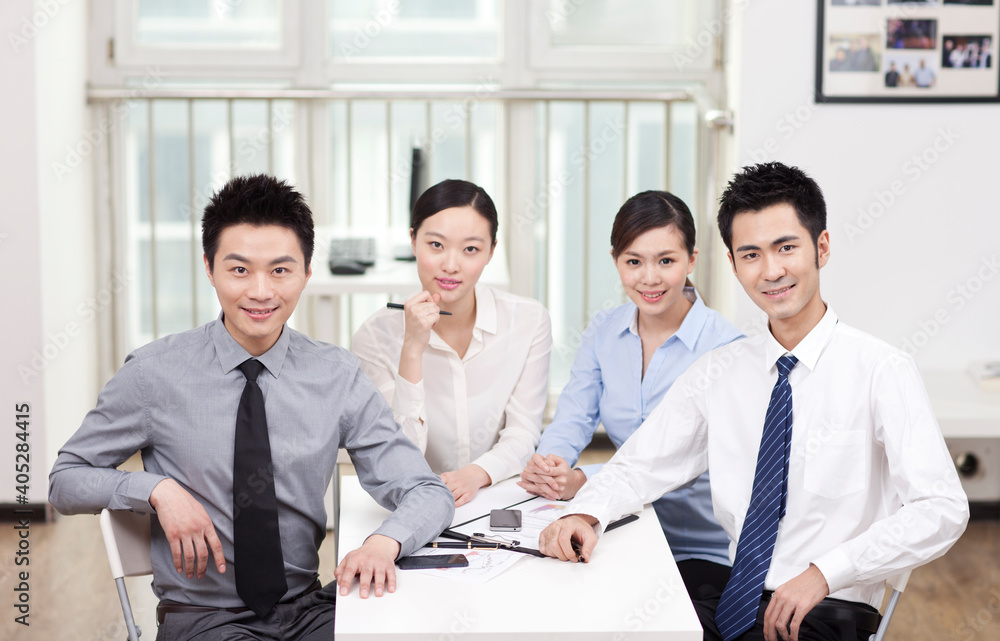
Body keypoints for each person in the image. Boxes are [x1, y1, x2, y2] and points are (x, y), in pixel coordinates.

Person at [539, 162, 969, 641]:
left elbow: (941, 508)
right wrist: (585, 512)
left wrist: (824, 572)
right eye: (751, 254)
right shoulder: (719, 372)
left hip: (826, 607)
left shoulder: (880, 370)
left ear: (821, 248)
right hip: (737, 594)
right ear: (732, 264)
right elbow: (640, 464)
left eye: (786, 248)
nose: (771, 271)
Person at [49, 174, 455, 641]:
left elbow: (426, 489)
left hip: (309, 609)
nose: (261, 292)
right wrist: (155, 489)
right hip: (202, 617)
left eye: (280, 270)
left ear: (306, 272)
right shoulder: (152, 374)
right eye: (239, 270)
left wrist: (385, 543)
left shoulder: (336, 375)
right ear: (209, 267)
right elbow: (65, 480)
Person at [518, 190, 741, 597]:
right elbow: (573, 416)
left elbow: (687, 462)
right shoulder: (605, 330)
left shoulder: (727, 349)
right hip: (617, 527)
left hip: (697, 548)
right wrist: (552, 466)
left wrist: (585, 480)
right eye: (633, 261)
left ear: (692, 259)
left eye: (666, 261)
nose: (649, 278)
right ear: (615, 260)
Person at [352, 179, 552, 507]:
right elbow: (398, 458)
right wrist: (412, 348)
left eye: (470, 249)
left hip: (496, 494)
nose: (450, 265)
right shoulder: (374, 337)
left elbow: (523, 432)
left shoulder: (528, 322)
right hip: (409, 502)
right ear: (413, 241)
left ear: (491, 251)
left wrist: (474, 475)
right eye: (436, 245)